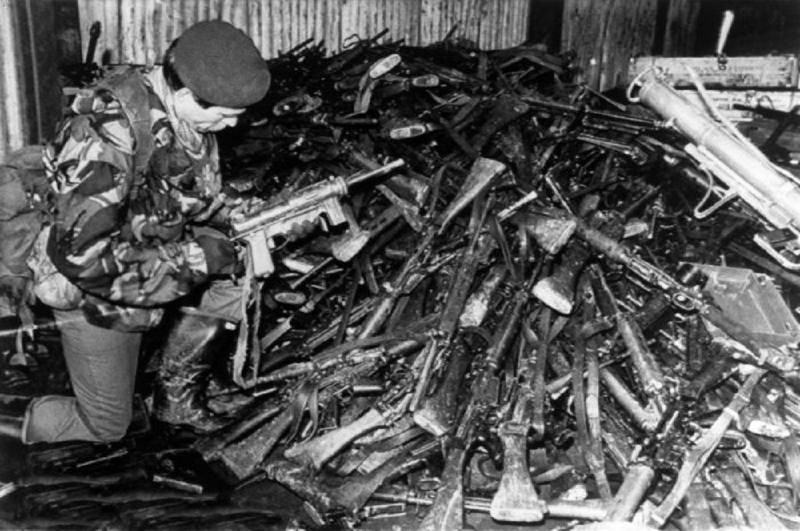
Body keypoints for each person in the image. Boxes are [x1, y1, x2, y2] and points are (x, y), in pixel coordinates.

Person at [0, 20, 271, 444]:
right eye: (223, 115)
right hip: (87, 284)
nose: (232, 126)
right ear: (186, 95)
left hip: (142, 251)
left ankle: (176, 395)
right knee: (107, 425)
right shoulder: (105, 134)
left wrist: (237, 217)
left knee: (238, 258)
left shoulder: (183, 115)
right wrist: (198, 260)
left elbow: (186, 192)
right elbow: (83, 257)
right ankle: (12, 423)